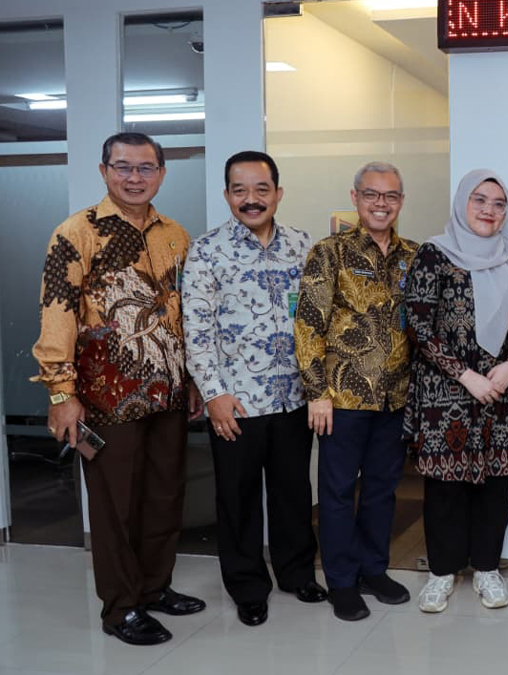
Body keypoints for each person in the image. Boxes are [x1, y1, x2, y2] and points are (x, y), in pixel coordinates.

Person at [32, 132, 205, 645]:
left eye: (146, 168)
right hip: (106, 399)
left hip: (168, 395)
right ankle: (121, 608)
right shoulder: (76, 232)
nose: (134, 177)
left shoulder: (175, 234)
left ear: (162, 174)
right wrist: (61, 394)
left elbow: (183, 313)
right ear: (104, 171)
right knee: (115, 508)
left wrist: (192, 379)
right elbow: (57, 316)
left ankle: (154, 587)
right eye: (123, 167)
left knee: (165, 497)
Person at [182, 151, 326, 628]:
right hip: (236, 401)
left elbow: (317, 319)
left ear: (278, 194)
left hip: (293, 398)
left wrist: (318, 386)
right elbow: (196, 328)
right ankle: (247, 586)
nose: (251, 199)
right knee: (238, 498)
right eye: (240, 190)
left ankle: (296, 572)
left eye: (261, 189)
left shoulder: (302, 245)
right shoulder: (206, 250)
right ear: (227, 195)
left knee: (293, 492)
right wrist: (213, 393)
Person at [294, 161, 418, 621]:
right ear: (355, 198)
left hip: (395, 397)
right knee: (338, 492)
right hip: (342, 399)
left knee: (383, 491)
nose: (381, 204)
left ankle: (374, 570)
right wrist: (317, 392)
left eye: (390, 195)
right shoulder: (330, 252)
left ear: (401, 201)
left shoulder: (413, 255)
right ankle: (342, 581)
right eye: (372, 194)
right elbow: (309, 324)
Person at [405, 170, 508, 613]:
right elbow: (419, 324)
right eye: (479, 200)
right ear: (462, 203)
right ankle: (442, 572)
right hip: (445, 391)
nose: (489, 210)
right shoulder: (434, 254)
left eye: (498, 203)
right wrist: (465, 375)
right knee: (446, 488)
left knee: (496, 485)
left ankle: (488, 569)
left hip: (501, 391)